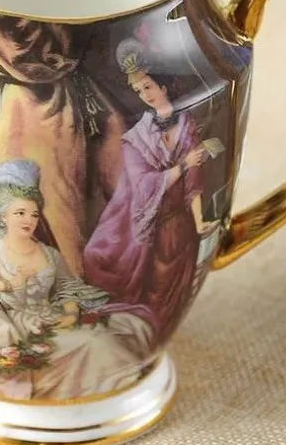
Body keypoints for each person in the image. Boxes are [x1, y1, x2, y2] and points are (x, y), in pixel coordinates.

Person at [0, 159, 155, 400]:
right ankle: (119, 394)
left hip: (54, 318)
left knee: (132, 326)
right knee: (94, 342)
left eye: (34, 214)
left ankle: (123, 394)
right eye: (20, 213)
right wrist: (9, 285)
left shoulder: (48, 253)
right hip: (22, 328)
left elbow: (67, 287)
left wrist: (70, 314)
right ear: (3, 216)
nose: (28, 220)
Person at [83, 38, 220, 340]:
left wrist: (199, 221)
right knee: (151, 287)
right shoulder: (136, 139)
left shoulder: (186, 123)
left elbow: (194, 177)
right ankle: (139, 338)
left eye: (148, 86)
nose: (145, 95)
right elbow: (143, 185)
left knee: (174, 290)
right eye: (138, 91)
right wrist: (182, 165)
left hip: (182, 225)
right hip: (154, 227)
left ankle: (154, 338)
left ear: (163, 86)